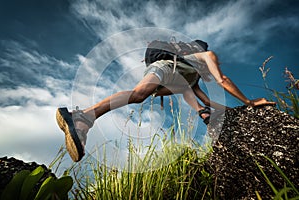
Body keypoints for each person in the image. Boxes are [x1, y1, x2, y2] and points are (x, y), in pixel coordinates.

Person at [56, 40, 276, 162]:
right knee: (139, 94)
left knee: (180, 92)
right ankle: (81, 117)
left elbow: (207, 98)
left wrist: (233, 111)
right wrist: (249, 102)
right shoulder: (206, 56)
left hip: (170, 81)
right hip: (163, 69)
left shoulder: (193, 77)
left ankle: (82, 119)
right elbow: (222, 79)